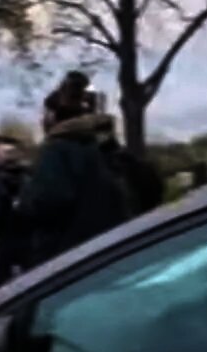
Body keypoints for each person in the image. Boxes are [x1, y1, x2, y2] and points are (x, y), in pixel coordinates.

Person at [19, 113, 131, 264]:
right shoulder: (102, 159)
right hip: (109, 248)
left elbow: (47, 200)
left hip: (64, 252)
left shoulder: (56, 152)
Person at [0, 158, 31, 286]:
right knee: (30, 271)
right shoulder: (27, 184)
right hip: (25, 236)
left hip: (6, 236)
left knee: (2, 274)